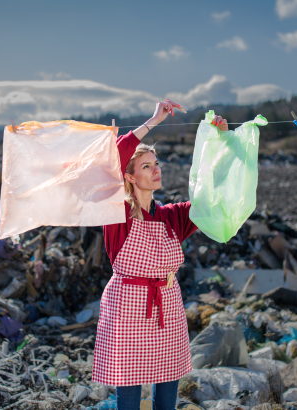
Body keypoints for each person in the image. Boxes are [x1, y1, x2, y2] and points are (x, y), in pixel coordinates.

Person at [92, 98, 229, 410]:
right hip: (127, 304)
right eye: (145, 166)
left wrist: (219, 140)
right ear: (127, 176)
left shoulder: (172, 216)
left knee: (167, 390)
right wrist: (154, 120)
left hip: (167, 302)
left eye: (156, 164)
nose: (155, 170)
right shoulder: (117, 213)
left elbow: (211, 194)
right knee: (128, 395)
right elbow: (113, 157)